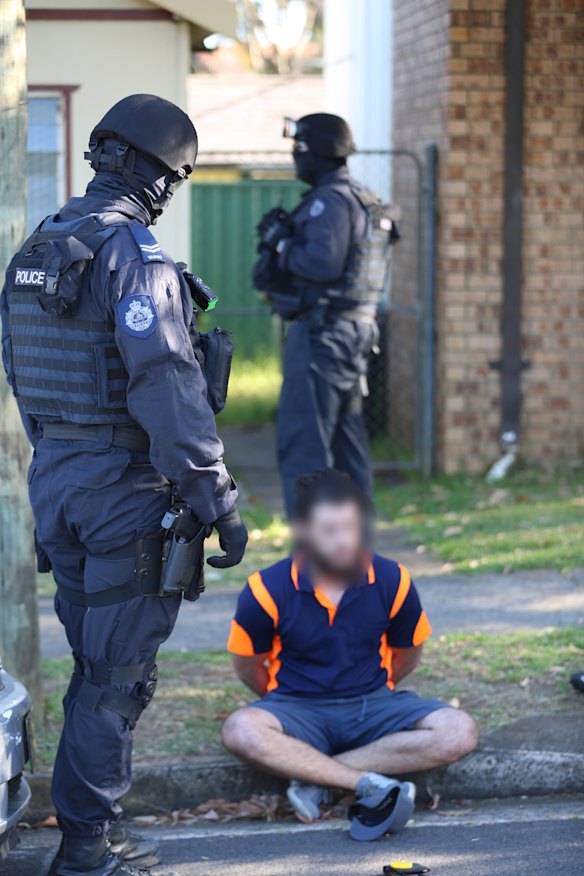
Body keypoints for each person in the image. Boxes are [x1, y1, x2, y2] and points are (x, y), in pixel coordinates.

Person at [1, 94, 248, 876]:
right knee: (115, 679)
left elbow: (25, 378)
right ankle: (85, 851)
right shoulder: (131, 255)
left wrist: (64, 465)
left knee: (94, 665)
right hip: (123, 495)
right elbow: (169, 387)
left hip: (59, 485)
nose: (170, 194)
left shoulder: (36, 250)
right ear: (155, 171)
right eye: (174, 178)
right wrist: (219, 501)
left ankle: (89, 835)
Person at [223, 470, 478, 841]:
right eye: (330, 530)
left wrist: (382, 690)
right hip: (297, 706)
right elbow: (248, 666)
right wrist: (280, 705)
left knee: (459, 731)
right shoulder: (265, 589)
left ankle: (318, 780)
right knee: (241, 729)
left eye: (351, 527)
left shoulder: (393, 579)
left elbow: (408, 654)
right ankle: (363, 781)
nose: (344, 540)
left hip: (372, 704)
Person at [252, 113, 399, 518]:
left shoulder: (328, 201)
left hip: (323, 333)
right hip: (353, 331)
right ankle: (358, 556)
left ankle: (314, 560)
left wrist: (281, 243)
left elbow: (321, 264)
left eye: (298, 148)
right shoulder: (360, 195)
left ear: (316, 150)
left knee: (305, 445)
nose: (295, 157)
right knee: (347, 445)